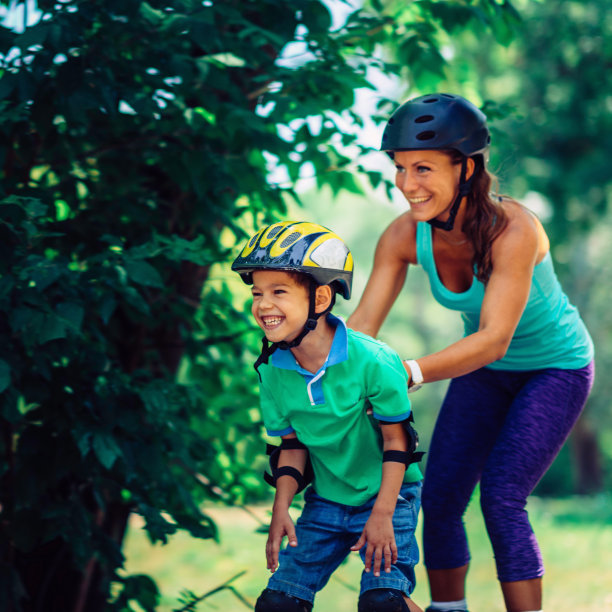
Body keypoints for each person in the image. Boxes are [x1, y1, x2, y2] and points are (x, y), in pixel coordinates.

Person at [347, 93, 594, 612]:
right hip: (485, 374)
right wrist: (315, 372)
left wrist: (405, 372)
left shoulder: (515, 228)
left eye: (423, 168)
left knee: (502, 497)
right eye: (399, 168)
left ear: (468, 167)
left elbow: (493, 338)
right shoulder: (402, 236)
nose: (406, 184)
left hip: (554, 369)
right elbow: (361, 330)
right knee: (439, 501)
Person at [232, 221, 425, 612]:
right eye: (257, 293)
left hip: (389, 495)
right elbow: (292, 445)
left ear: (320, 298)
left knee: (383, 604)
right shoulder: (271, 369)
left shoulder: (373, 359)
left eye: (278, 292)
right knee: (277, 605)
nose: (263, 305)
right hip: (327, 500)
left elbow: (398, 440)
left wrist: (383, 513)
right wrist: (280, 510)